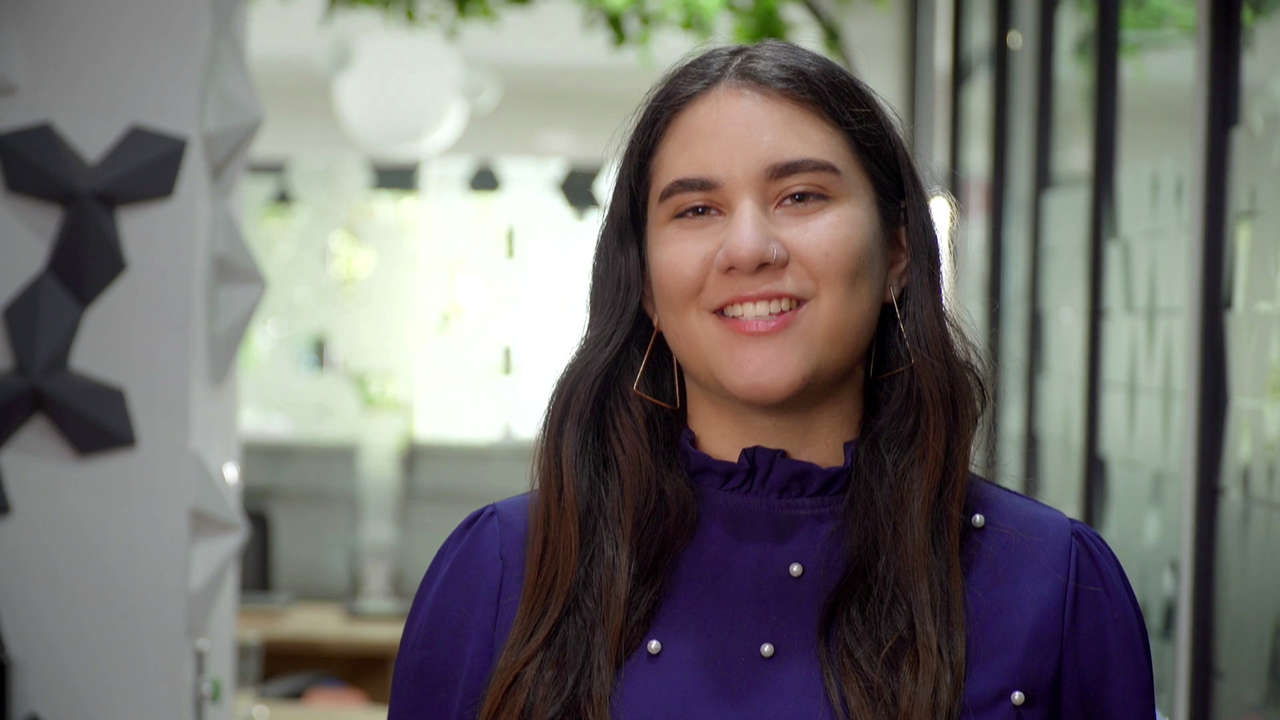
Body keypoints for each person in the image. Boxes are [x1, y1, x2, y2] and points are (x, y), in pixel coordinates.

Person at [388, 40, 1156, 720]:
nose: (749, 247)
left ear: (897, 251)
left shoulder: (1054, 584)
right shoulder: (501, 571)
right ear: (646, 282)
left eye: (801, 196)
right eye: (697, 209)